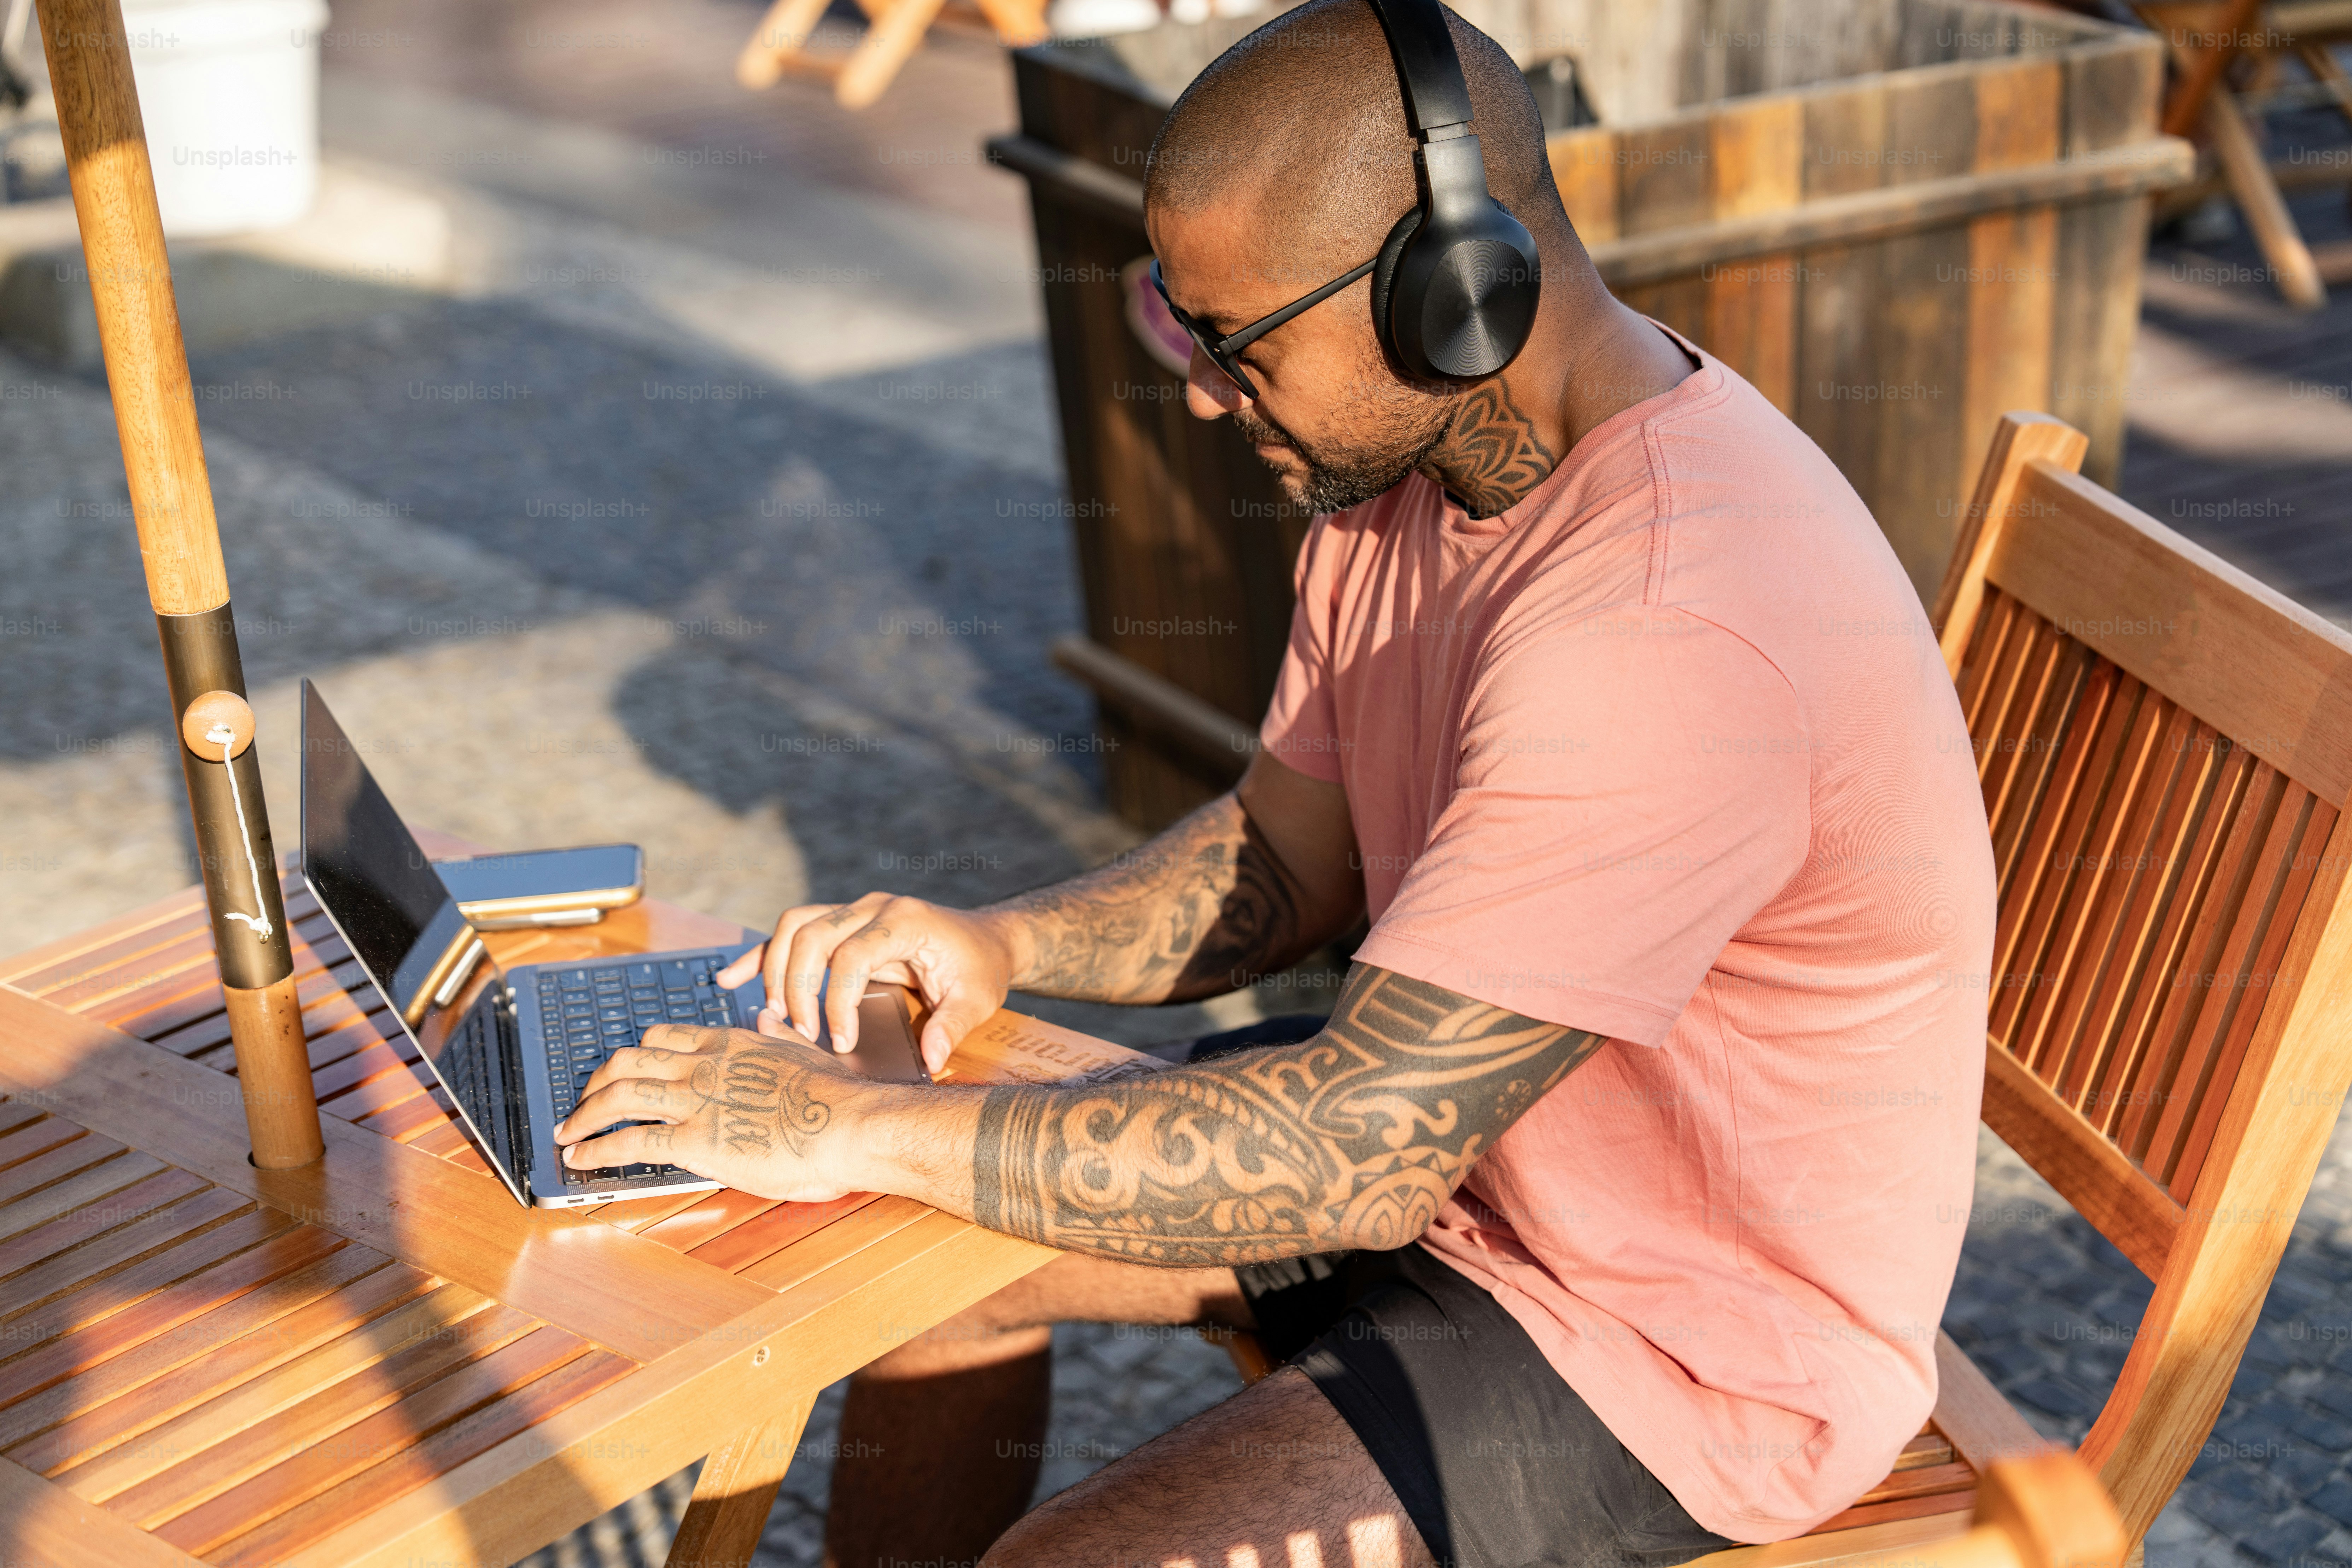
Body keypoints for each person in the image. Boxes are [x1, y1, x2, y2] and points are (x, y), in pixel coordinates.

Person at [553, 1, 1997, 1563]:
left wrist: (846, 1122)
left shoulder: (1670, 620)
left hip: (1680, 1338)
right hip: (1491, 1174)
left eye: (1234, 347)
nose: (1197, 394)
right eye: (1178, 330)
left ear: (1453, 291)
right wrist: (1000, 946)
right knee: (915, 1253)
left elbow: (1350, 1151)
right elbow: (1283, 855)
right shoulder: (1415, 476)